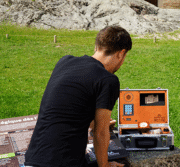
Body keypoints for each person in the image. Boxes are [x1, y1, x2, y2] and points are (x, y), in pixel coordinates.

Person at [24, 26, 132, 167]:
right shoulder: (108, 80)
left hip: (34, 158)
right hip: (64, 162)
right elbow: (100, 133)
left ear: (96, 46)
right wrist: (105, 165)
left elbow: (73, 104)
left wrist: (97, 122)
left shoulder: (64, 62)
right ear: (121, 54)